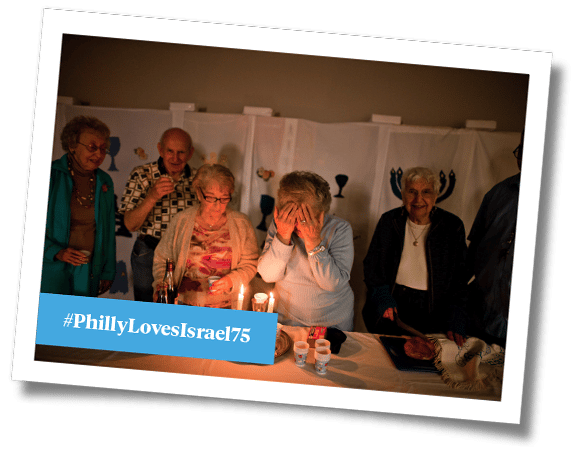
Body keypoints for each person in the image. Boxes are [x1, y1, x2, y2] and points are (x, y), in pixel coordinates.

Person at [363, 167, 467, 346]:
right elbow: (373, 266)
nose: (419, 199)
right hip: (393, 304)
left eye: (426, 192)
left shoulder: (452, 226)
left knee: (427, 362)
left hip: (434, 309)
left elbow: (460, 277)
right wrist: (381, 294)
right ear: (403, 195)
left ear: (436, 196)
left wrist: (456, 313)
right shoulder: (389, 221)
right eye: (412, 192)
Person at [258, 171, 354, 331]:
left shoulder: (340, 229)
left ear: (322, 215)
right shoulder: (280, 225)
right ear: (280, 213)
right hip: (286, 319)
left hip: (332, 322)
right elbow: (268, 276)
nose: (300, 225)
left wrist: (314, 242)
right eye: (292, 218)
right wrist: (282, 237)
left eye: (307, 218)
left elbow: (333, 284)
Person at [152, 164, 259, 307]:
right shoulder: (181, 221)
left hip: (227, 307)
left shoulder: (241, 223)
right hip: (184, 305)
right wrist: (162, 284)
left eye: (224, 198)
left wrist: (231, 280)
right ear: (198, 193)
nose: (217, 206)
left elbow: (250, 263)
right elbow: (162, 259)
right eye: (211, 198)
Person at [119, 128, 198, 302]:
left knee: (184, 307)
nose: (175, 158)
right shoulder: (142, 174)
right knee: (147, 308)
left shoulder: (197, 179)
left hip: (185, 254)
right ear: (160, 150)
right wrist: (152, 196)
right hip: (149, 251)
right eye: (170, 151)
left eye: (181, 152)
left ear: (190, 153)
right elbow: (129, 225)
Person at [41, 116, 116, 297]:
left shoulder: (104, 180)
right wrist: (56, 252)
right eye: (92, 147)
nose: (98, 155)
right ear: (72, 144)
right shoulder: (49, 175)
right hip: (52, 267)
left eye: (103, 149)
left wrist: (107, 271)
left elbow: (108, 231)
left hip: (89, 269)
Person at [467, 133, 523, 347]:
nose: (523, 157)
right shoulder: (497, 194)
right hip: (482, 318)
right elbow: (474, 253)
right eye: (521, 150)